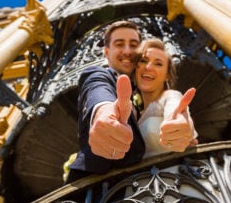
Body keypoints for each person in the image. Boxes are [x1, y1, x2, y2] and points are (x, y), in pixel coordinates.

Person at [67, 20, 196, 181]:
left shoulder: (157, 97)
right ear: (106, 52)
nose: (127, 51)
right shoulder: (98, 74)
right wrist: (103, 112)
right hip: (93, 191)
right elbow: (97, 90)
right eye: (119, 44)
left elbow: (174, 105)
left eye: (134, 44)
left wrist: (182, 125)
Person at [132, 37, 197, 158]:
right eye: (143, 61)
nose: (148, 67)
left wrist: (181, 126)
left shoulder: (170, 96)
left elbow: (177, 112)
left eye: (158, 63)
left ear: (167, 75)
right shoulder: (133, 112)